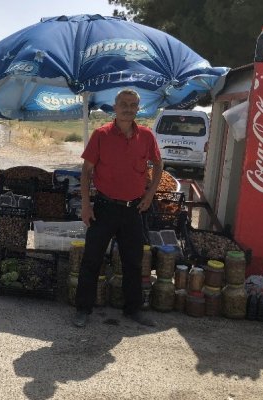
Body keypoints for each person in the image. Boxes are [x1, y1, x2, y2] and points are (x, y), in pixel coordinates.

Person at [72, 88, 163, 328]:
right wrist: (85, 205)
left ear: (137, 109)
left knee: (133, 262)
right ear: (115, 107)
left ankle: (133, 309)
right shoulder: (101, 135)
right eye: (124, 104)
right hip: (104, 208)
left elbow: (158, 165)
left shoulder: (146, 136)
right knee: (92, 259)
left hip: (134, 210)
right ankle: (83, 309)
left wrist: (150, 194)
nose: (128, 108)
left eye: (133, 105)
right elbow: (86, 172)